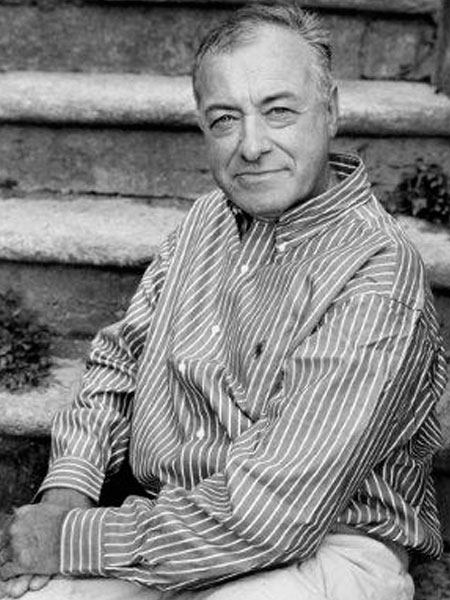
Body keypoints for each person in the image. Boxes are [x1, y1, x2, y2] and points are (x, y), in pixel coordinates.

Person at [0, 1, 447, 599]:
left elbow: (278, 514)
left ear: (331, 111)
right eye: (225, 119)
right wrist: (66, 496)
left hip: (322, 546)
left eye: (279, 111)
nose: (252, 145)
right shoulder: (205, 220)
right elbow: (120, 362)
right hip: (169, 523)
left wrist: (72, 539)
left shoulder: (378, 274)